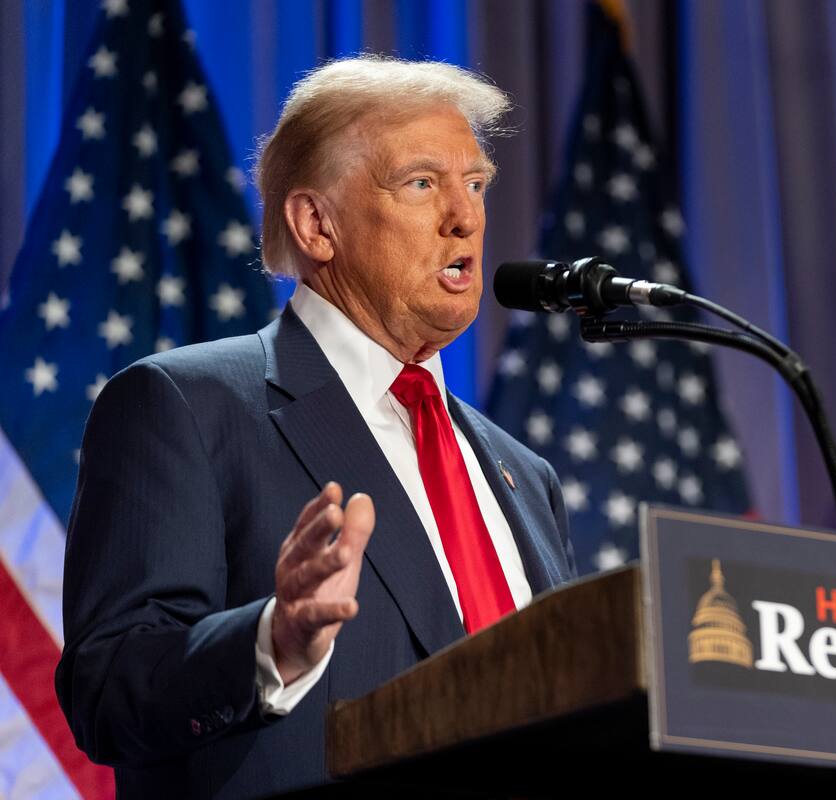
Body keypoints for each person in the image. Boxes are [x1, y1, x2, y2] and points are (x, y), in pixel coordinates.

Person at [55, 56, 576, 798]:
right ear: (316, 224)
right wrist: (274, 641)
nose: (466, 216)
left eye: (477, 182)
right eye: (423, 183)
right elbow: (109, 689)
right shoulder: (183, 405)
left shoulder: (523, 474)